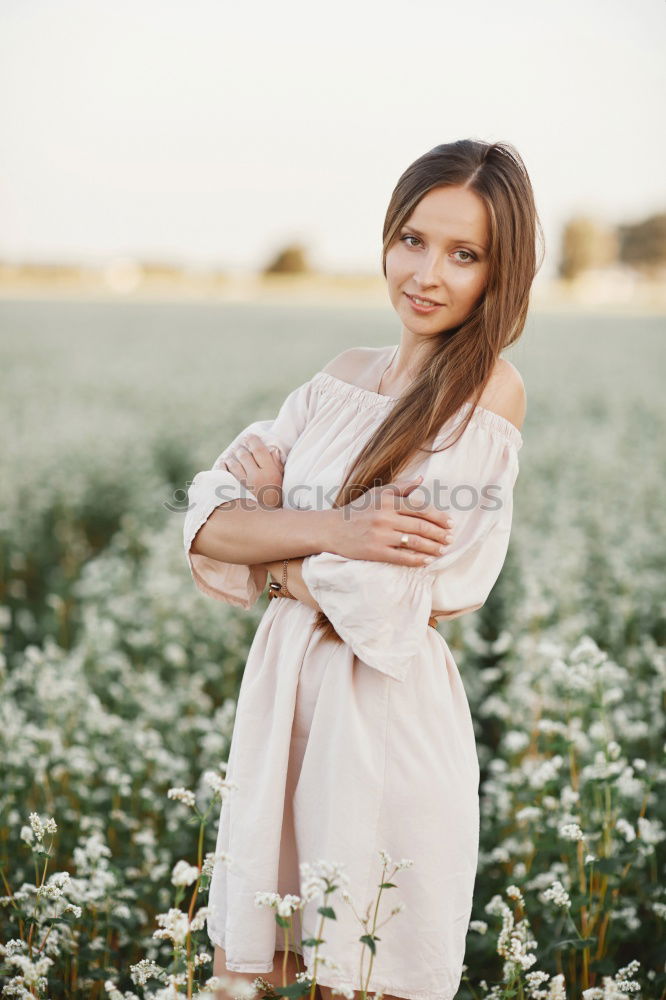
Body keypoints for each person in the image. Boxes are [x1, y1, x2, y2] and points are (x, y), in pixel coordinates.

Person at [183, 138, 542, 1000]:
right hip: (283, 716)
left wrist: (273, 546)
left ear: (503, 274)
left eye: (465, 255)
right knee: (261, 977)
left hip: (382, 726)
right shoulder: (340, 377)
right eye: (413, 240)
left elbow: (392, 602)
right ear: (388, 236)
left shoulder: (488, 395)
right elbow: (204, 521)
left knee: (362, 973)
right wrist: (339, 530)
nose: (426, 273)